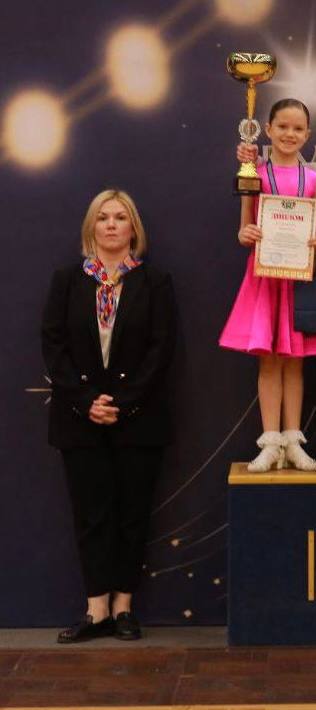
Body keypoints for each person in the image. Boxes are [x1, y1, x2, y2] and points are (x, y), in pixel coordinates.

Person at [41, 189, 177, 643]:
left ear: (134, 228)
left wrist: (123, 401)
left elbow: (162, 348)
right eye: (103, 218)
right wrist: (87, 401)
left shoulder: (155, 282)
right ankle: (96, 609)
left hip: (139, 419)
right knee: (91, 516)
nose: (112, 225)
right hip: (78, 420)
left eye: (121, 217)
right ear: (91, 227)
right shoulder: (67, 280)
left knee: (132, 515)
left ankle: (123, 608)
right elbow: (53, 345)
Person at [220, 98, 316, 472]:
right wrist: (246, 233)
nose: (289, 134)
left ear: (308, 134)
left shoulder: (313, 179)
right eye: (282, 126)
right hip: (265, 277)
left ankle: (293, 440)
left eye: (298, 128)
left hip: (298, 279)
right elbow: (243, 228)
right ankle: (270, 442)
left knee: (295, 362)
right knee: (269, 362)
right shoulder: (255, 172)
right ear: (267, 129)